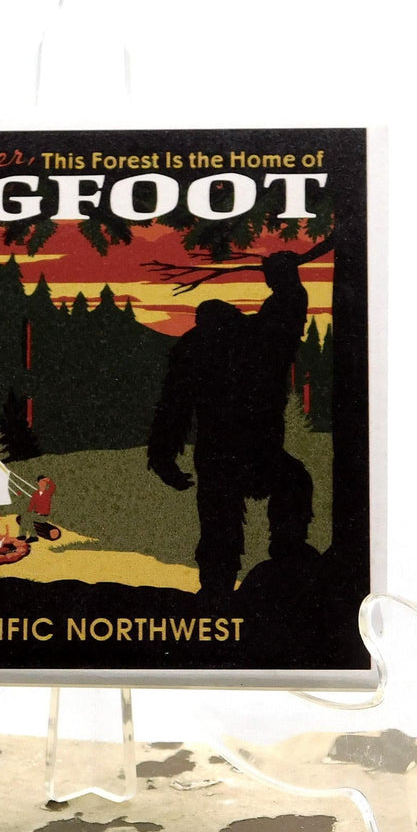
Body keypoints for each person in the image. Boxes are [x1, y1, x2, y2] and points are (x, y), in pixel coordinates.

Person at [148, 249, 315, 603]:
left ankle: (220, 586)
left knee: (220, 521)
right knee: (293, 483)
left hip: (222, 452)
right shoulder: (258, 337)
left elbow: (172, 411)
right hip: (255, 449)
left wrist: (163, 458)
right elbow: (288, 309)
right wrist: (283, 277)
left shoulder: (195, 348)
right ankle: (284, 553)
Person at [18, 474, 56, 541]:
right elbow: (32, 504)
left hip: (43, 516)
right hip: (35, 514)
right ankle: (23, 535)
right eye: (41, 482)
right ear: (38, 483)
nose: (43, 484)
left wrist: (49, 480)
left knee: (28, 517)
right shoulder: (35, 493)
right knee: (25, 516)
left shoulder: (48, 492)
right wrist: (28, 512)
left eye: (45, 482)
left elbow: (53, 486)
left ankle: (33, 536)